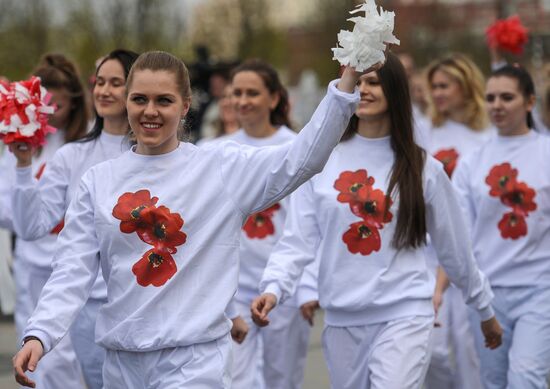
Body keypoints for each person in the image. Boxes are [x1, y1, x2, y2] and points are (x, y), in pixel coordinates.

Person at [12, 50, 371, 388]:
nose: (150, 111)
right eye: (140, 99)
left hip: (193, 361)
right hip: (122, 362)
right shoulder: (99, 179)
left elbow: (302, 158)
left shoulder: (219, 168)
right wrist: (40, 333)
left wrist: (348, 81)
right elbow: (72, 269)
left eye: (163, 101)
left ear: (185, 106)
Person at [251, 52, 503, 389]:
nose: (363, 90)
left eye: (373, 82)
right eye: (357, 81)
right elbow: (298, 239)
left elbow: (455, 250)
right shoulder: (321, 163)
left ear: (395, 90)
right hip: (342, 319)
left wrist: (484, 309)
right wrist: (274, 287)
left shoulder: (422, 168)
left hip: (405, 313)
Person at [9, 49, 139, 389]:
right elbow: (30, 226)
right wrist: (23, 167)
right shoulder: (72, 155)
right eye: (100, 82)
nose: (104, 91)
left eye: (117, 83)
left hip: (144, 304)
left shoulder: (154, 154)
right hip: (89, 308)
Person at [209, 59, 314, 389]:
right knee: (234, 379)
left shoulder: (298, 148)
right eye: (235, 93)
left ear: (274, 98)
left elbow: (308, 226)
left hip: (283, 289)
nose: (242, 101)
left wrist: (308, 284)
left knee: (281, 380)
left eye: (252, 93)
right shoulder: (214, 151)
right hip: (233, 289)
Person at [451, 64, 550, 388]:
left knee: (525, 378)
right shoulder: (472, 162)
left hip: (540, 290)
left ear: (530, 102)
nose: (497, 105)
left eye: (507, 97)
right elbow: (458, 231)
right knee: (493, 382)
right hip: (488, 295)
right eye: (491, 97)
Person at [0, 53, 89, 389]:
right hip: (31, 263)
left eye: (60, 107)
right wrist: (33, 212)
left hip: (73, 265)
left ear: (76, 104)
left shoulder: (85, 142)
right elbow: (6, 206)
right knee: (35, 352)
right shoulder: (21, 144)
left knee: (71, 355)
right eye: (45, 107)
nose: (51, 115)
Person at [423, 53, 494, 389]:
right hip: (428, 252)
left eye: (445, 85)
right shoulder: (426, 131)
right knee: (431, 351)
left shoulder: (487, 136)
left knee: (469, 350)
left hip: (472, 252)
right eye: (434, 86)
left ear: (467, 88)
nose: (437, 93)